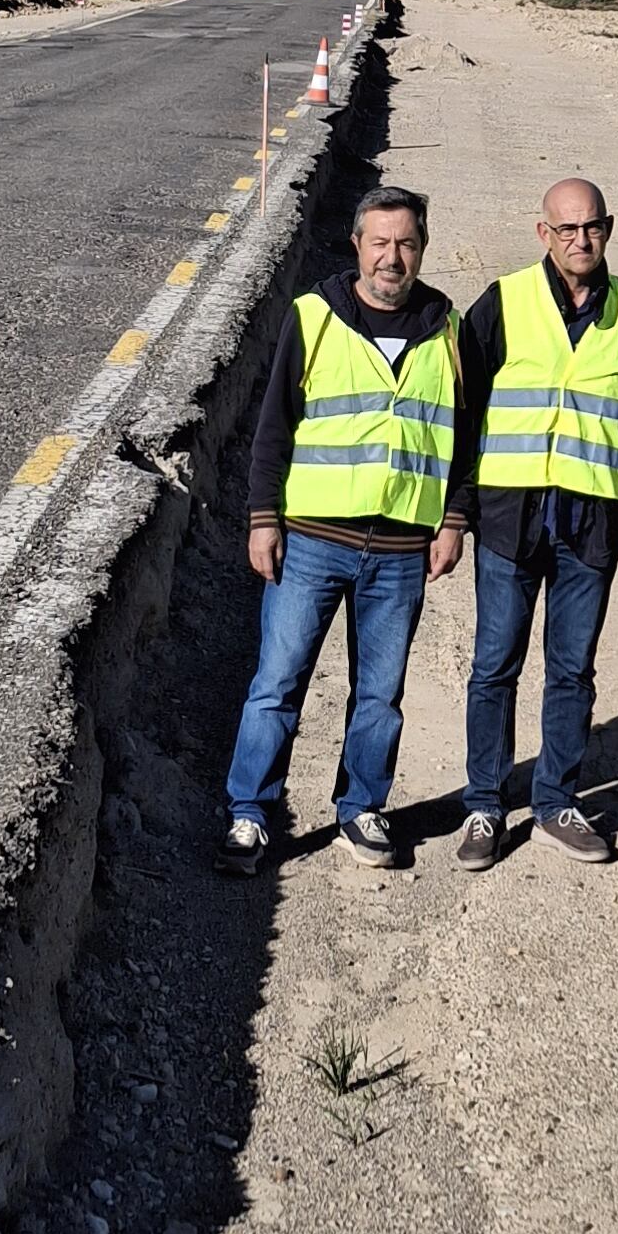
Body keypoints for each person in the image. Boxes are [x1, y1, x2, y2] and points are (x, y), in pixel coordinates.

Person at [220, 184, 471, 876]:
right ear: (357, 244)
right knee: (277, 683)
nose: (393, 257)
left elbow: (464, 439)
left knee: (381, 695)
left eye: (407, 244)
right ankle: (251, 814)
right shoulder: (315, 317)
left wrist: (453, 520)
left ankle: (362, 806)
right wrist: (262, 519)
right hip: (311, 541)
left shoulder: (448, 329)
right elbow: (274, 428)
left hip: (401, 549)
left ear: (422, 248)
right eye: (380, 242)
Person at [455, 179, 618, 868]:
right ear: (543, 233)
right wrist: (462, 509)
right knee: (495, 665)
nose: (582, 241)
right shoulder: (503, 302)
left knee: (573, 670)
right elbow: (464, 409)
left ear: (610, 228)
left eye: (594, 228)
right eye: (568, 229)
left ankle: (555, 800)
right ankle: (486, 805)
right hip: (510, 520)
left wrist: (601, 476)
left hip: (591, 525)